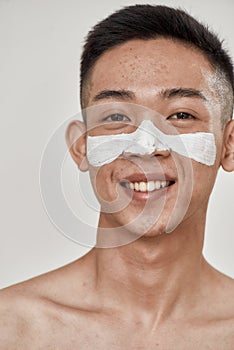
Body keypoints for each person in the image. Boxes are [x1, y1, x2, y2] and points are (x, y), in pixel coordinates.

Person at [1, 4, 234, 349]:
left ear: (228, 146)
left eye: (181, 114)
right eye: (115, 116)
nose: (147, 145)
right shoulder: (11, 328)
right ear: (81, 147)